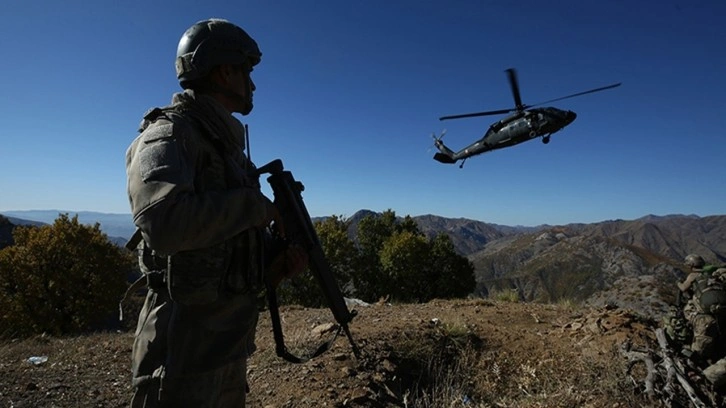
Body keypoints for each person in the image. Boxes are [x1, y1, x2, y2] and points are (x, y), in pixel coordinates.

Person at [125, 18, 307, 407]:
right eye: (247, 72)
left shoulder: (225, 147)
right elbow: (164, 223)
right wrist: (253, 206)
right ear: (225, 70)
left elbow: (223, 242)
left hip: (226, 342)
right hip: (181, 350)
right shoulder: (169, 134)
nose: (253, 84)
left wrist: (273, 263)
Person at [677, 254, 726, 388]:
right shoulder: (712, 275)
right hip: (721, 314)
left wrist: (678, 283)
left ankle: (700, 377)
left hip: (704, 318)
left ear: (691, 265)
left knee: (698, 353)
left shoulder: (693, 276)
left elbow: (683, 289)